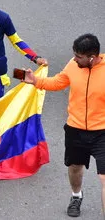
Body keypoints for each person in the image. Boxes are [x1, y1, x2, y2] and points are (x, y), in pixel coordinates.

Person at [23, 33, 105, 217]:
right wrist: (36, 81)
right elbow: (58, 82)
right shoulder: (73, 65)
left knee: (104, 177)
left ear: (92, 57)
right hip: (75, 130)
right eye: (74, 54)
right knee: (75, 168)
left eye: (78, 56)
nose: (74, 59)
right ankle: (76, 196)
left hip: (102, 132)